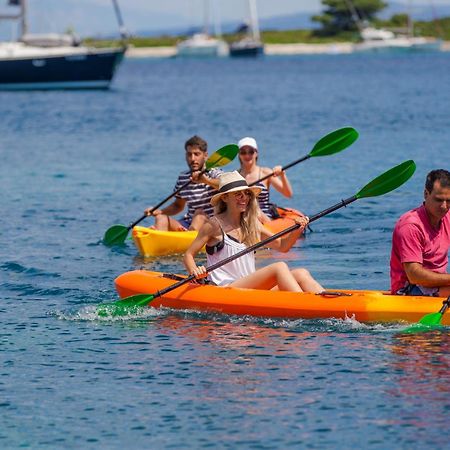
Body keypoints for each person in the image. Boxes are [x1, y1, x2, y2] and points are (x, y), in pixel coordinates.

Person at [183, 171, 324, 292]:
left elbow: (282, 246)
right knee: (279, 267)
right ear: (225, 198)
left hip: (248, 288)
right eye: (238, 194)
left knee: (301, 273)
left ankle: (333, 306)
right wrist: (195, 270)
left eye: (246, 194)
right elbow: (188, 255)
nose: (244, 198)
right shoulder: (213, 225)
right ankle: (303, 307)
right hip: (226, 288)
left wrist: (297, 230)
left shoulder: (252, 224)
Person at [390, 169, 450, 296]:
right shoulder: (410, 226)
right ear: (426, 194)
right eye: (439, 200)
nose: (444, 206)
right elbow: (414, 275)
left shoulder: (447, 216)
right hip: (409, 289)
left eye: (449, 201)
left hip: (439, 284)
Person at [145, 135, 221, 231]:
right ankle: (158, 238)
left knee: (199, 214)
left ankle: (188, 238)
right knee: (161, 217)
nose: (193, 158)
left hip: (210, 224)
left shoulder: (213, 172)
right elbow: (178, 206)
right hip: (188, 223)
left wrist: (205, 180)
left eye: (196, 154)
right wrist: (159, 211)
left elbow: (225, 184)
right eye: (189, 154)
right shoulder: (183, 177)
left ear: (205, 156)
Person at [237, 136, 293, 223]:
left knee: (256, 211)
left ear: (256, 153)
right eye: (243, 152)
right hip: (243, 218)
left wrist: (282, 175)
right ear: (239, 155)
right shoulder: (236, 176)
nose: (247, 155)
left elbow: (288, 194)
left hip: (264, 218)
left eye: (251, 152)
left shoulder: (266, 173)